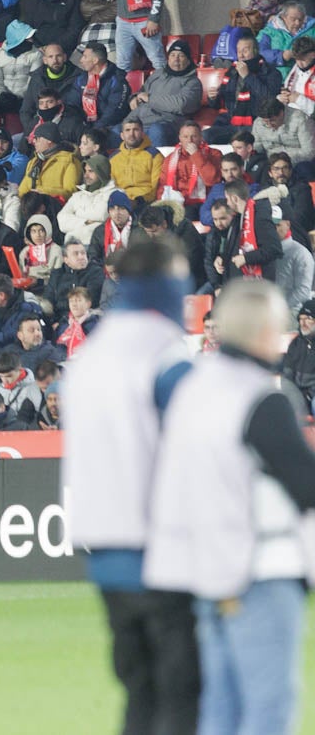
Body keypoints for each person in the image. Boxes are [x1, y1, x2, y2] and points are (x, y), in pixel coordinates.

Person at [144, 280, 315, 735]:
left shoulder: (191, 392)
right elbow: (305, 484)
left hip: (206, 569)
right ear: (262, 331)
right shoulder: (263, 399)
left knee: (220, 708)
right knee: (268, 707)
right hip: (262, 567)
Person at [61, 237, 200, 734]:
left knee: (139, 689)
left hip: (104, 548)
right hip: (161, 545)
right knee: (183, 691)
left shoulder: (88, 360)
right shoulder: (166, 358)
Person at [21, 0, 87, 55]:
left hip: (64, 50)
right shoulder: (36, 1)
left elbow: (75, 29)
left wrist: (54, 47)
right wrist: (36, 46)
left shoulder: (73, 1)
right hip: (38, 50)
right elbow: (27, 27)